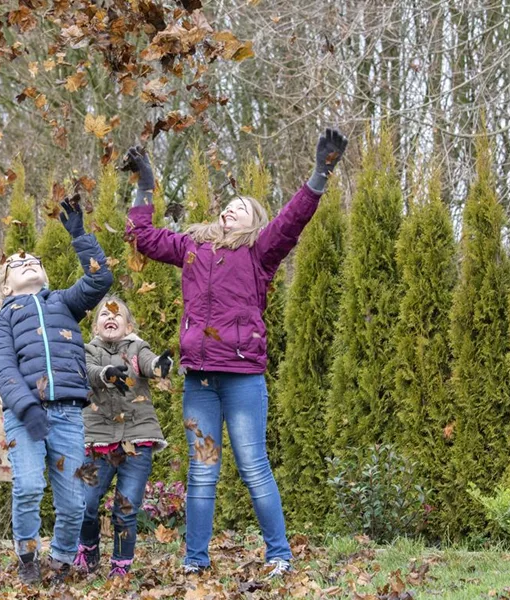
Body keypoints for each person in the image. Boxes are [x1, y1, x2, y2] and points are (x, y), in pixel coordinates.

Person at [121, 129, 348, 577]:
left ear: (253, 225)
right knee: (202, 471)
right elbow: (142, 235)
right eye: (229, 205)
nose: (231, 209)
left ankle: (279, 555)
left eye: (242, 209)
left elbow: (292, 220)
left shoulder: (261, 253)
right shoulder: (191, 247)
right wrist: (145, 184)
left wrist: (320, 173)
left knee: (253, 467)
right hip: (199, 381)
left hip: (243, 378)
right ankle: (194, 561)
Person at [0, 198, 113, 585]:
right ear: (5, 286)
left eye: (34, 262)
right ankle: (27, 558)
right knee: (27, 487)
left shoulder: (63, 303)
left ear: (45, 276)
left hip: (69, 416)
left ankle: (59, 564)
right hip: (24, 417)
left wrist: (79, 235)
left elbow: (99, 280)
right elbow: (4, 370)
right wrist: (26, 408)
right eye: (17, 264)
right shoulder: (2, 320)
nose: (28, 263)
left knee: (75, 501)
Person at [74, 295, 173, 578]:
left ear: (128, 326)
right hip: (96, 441)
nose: (111, 317)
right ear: (95, 327)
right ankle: (89, 547)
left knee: (125, 509)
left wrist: (159, 366)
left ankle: (120, 564)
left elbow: (147, 363)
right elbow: (90, 372)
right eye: (105, 314)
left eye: (117, 315)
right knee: (85, 503)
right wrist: (107, 373)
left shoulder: (136, 347)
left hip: (137, 440)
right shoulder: (87, 350)